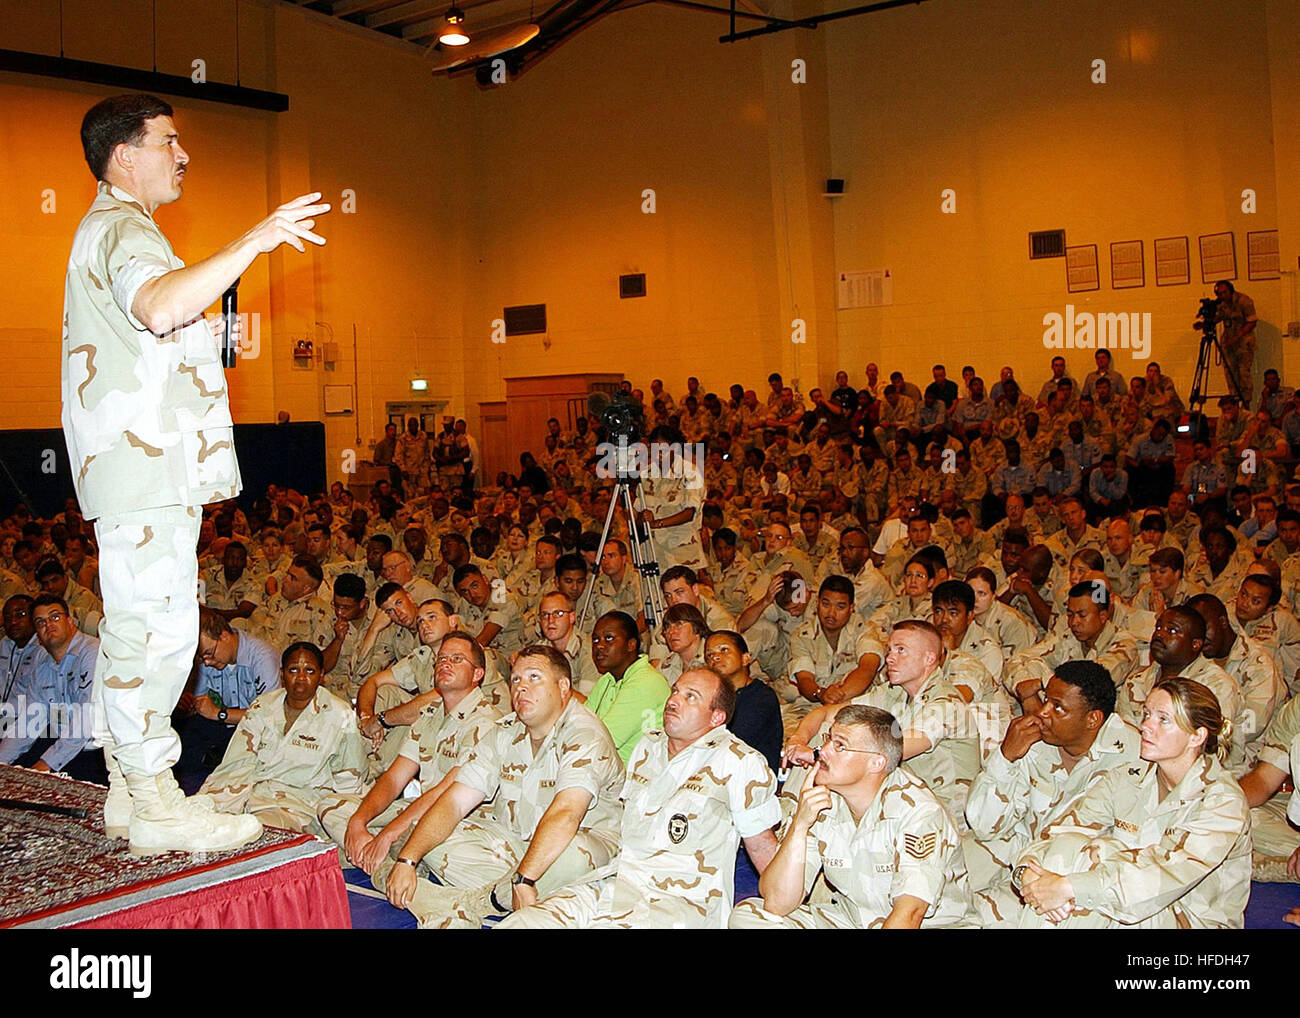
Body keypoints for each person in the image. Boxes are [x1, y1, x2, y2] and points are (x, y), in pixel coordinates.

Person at [62, 94, 327, 854]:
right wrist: (256, 240)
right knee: (160, 635)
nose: (183, 156)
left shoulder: (113, 228)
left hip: (140, 468)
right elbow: (158, 305)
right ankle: (154, 802)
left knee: (134, 632)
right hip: (144, 470)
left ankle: (128, 789)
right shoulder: (121, 228)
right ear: (125, 155)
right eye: (169, 142)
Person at [500, 667, 780, 929]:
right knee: (526, 921)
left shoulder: (739, 761)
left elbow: (761, 847)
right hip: (618, 882)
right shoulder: (649, 745)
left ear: (716, 717)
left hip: (681, 901)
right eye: (675, 691)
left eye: (690, 697)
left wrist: (783, 903)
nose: (673, 700)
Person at [380, 645, 624, 929]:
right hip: (518, 846)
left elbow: (567, 813)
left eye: (534, 677)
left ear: (563, 687)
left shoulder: (584, 734)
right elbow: (454, 801)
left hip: (577, 847)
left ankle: (474, 904)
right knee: (434, 839)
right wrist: (408, 860)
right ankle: (517, 898)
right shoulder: (505, 730)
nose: (521, 687)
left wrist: (525, 878)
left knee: (575, 856)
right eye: (516, 679)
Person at [1016, 678, 1251, 928]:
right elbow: (1057, 834)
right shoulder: (1128, 777)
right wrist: (1028, 875)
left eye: (1163, 720)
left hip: (1186, 919)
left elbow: (1165, 875)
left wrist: (1067, 887)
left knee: (1094, 876)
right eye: (1147, 714)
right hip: (1121, 901)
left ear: (1196, 736)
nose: (1146, 726)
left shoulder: (1223, 800)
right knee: (1070, 848)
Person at [730, 704, 973, 929]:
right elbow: (777, 902)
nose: (822, 751)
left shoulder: (919, 812)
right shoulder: (825, 800)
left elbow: (910, 914)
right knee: (750, 915)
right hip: (853, 920)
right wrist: (800, 825)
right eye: (828, 740)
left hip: (922, 925)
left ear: (876, 763)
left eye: (840, 745)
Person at [964, 661, 1141, 926]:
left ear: (1093, 719)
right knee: (940, 879)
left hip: (1066, 872)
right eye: (1046, 700)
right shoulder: (1032, 740)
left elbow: (1127, 848)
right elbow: (984, 826)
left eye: (1058, 707)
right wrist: (1005, 757)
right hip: (1015, 852)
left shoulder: (1133, 755)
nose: (1043, 712)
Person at [318, 631, 501, 876]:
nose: (445, 663)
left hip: (458, 821)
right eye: (442, 658)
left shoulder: (487, 722)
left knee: (437, 847)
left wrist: (387, 833)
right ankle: (385, 863)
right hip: (417, 810)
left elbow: (445, 792)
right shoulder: (429, 714)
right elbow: (394, 779)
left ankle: (386, 859)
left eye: (457, 659)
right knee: (330, 806)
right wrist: (358, 821)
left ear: (477, 674)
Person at [198, 643, 367, 835]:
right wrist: (213, 802)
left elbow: (349, 783)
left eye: (310, 671)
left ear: (321, 676)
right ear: (282, 674)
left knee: (253, 834)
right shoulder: (263, 705)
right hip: (252, 796)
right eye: (293, 670)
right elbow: (236, 764)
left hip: (298, 807)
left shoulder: (339, 715)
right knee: (195, 820)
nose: (301, 678)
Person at [0, 595, 104, 783]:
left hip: (99, 750)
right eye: (40, 622)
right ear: (37, 635)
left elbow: (87, 718)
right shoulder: (42, 665)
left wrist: (45, 765)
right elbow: (28, 721)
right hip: (62, 743)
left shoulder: (92, 652)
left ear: (70, 622)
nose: (48, 625)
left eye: (54, 617)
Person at [587, 611, 670, 762]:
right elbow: (580, 723)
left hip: (635, 779)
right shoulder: (607, 680)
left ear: (631, 644)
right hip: (605, 772)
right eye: (595, 639)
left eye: (609, 638)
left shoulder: (646, 682)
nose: (599, 645)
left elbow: (602, 740)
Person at [703, 630, 782, 770]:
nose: (715, 657)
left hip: (748, 776)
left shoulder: (762, 698)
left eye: (724, 650)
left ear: (746, 659)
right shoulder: (710, 695)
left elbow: (734, 744)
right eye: (709, 655)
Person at [1213, 280, 1258, 407]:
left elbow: (1252, 322)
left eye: (1224, 292)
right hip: (1228, 342)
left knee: (1243, 374)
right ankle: (1234, 403)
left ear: (1231, 291)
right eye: (1219, 294)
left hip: (1243, 342)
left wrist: (1237, 337)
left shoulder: (1244, 301)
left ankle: (1246, 404)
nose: (1222, 296)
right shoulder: (1221, 304)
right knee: (1230, 374)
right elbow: (1219, 316)